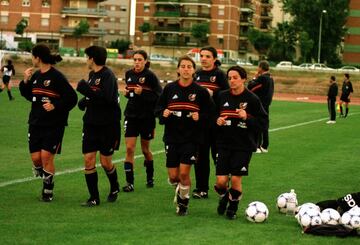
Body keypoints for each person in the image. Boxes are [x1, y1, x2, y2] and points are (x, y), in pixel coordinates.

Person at [19, 44, 78, 202]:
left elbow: (72, 98)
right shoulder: (37, 75)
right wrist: (25, 80)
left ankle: (48, 191)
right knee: (36, 159)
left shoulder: (57, 77)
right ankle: (40, 170)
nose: (32, 59)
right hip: (35, 123)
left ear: (38, 58)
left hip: (54, 124)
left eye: (33, 56)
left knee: (46, 157)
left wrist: (55, 106)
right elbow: (27, 95)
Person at [155, 55, 212, 216]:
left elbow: (211, 113)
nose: (186, 69)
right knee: (173, 177)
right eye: (183, 66)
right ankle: (179, 188)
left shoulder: (200, 92)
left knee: (184, 173)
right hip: (172, 138)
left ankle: (183, 204)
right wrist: (163, 113)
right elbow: (158, 109)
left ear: (194, 70)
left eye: (189, 67)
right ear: (178, 69)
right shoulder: (169, 89)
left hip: (192, 139)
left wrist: (200, 117)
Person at [214, 65, 268, 219]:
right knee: (221, 182)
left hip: (243, 145)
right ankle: (224, 196)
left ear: (243, 79)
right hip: (224, 143)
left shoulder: (252, 99)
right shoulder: (222, 96)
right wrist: (217, 120)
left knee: (236, 178)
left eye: (235, 77)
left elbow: (263, 124)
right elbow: (213, 116)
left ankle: (232, 208)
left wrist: (247, 117)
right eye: (229, 78)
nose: (232, 81)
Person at [76, 46, 121, 206]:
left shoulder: (108, 75)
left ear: (92, 59)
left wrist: (85, 91)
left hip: (108, 125)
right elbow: (94, 97)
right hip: (90, 124)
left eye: (86, 56)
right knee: (88, 159)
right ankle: (94, 198)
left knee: (105, 162)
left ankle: (114, 186)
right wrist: (84, 101)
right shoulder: (92, 75)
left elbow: (107, 99)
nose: (86, 60)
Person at [122, 50, 162, 192]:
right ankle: (129, 183)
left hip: (146, 117)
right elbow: (132, 95)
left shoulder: (150, 76)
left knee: (145, 150)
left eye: (140, 59)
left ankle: (150, 177)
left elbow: (159, 97)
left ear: (145, 61)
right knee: (129, 148)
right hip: (131, 116)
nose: (137, 62)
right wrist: (129, 94)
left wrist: (143, 93)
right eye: (135, 59)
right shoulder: (129, 74)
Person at [193, 46, 228, 199]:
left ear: (214, 59)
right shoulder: (197, 75)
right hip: (200, 123)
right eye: (202, 56)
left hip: (217, 123)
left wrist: (214, 93)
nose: (204, 59)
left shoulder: (220, 75)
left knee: (218, 157)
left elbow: (228, 94)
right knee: (200, 157)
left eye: (208, 56)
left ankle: (222, 187)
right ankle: (202, 189)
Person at [247, 60, 274, 153]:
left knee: (257, 124)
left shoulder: (262, 78)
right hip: (266, 104)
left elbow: (250, 87)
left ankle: (257, 146)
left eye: (258, 67)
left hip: (259, 104)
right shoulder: (271, 78)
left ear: (261, 68)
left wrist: (254, 78)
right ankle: (265, 146)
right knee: (265, 125)